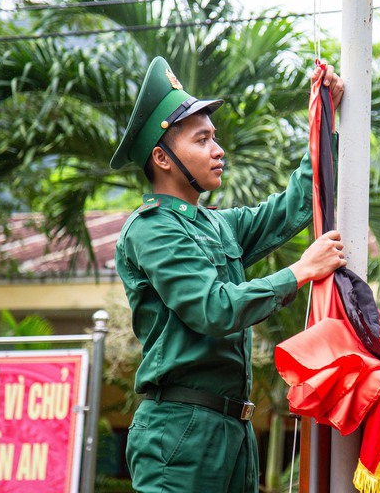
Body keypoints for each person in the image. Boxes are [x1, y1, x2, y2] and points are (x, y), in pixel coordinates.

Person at [110, 56, 346, 492]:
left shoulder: (217, 224)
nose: (218, 150)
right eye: (202, 140)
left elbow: (294, 206)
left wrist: (325, 117)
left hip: (232, 428)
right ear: (161, 158)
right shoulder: (152, 229)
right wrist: (300, 271)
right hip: (181, 431)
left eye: (214, 138)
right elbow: (212, 309)